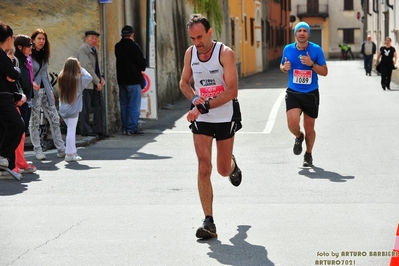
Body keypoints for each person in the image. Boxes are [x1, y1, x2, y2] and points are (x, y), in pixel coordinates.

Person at [179, 14, 243, 239]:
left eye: (200, 37)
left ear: (209, 32)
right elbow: (184, 83)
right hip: (202, 118)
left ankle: (233, 165)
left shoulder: (224, 53)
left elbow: (232, 90)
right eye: (192, 38)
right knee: (204, 166)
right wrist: (194, 98)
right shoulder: (190, 54)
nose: (197, 42)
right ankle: (209, 222)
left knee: (222, 169)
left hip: (224, 115)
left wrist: (204, 105)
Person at [280, 21, 328, 167]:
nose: (302, 33)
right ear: (295, 33)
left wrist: (311, 64)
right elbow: (282, 65)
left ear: (308, 34)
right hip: (293, 92)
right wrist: (284, 67)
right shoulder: (288, 49)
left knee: (309, 127)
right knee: (292, 122)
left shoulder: (316, 50)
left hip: (311, 93)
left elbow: (325, 72)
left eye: (304, 31)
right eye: (299, 30)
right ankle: (298, 136)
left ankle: (308, 154)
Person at [30, 28, 66, 161]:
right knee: (34, 121)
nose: (41, 41)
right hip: (34, 92)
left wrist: (50, 90)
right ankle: (38, 149)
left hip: (45, 90)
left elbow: (45, 74)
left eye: (43, 39)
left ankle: (61, 148)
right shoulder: (29, 55)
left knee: (54, 118)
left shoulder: (44, 55)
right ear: (33, 40)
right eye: (39, 38)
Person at [0, 21, 26, 179]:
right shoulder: (1, 55)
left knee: (5, 128)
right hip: (3, 97)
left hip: (6, 95)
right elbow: (15, 73)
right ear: (9, 38)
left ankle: (6, 163)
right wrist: (14, 70)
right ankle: (3, 156)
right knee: (17, 125)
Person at [58, 57, 92, 162]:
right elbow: (89, 77)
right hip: (73, 109)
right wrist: (81, 68)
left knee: (70, 130)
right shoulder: (78, 80)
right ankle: (69, 154)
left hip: (63, 109)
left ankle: (72, 153)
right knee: (71, 131)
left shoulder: (61, 77)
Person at [114, 25, 146, 135]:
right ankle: (132, 128)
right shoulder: (134, 47)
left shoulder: (118, 46)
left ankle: (125, 128)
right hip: (134, 81)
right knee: (134, 105)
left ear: (121, 35)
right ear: (132, 35)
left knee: (124, 105)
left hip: (122, 80)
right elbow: (142, 65)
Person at [12, 35, 37, 174]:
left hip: (26, 99)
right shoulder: (16, 60)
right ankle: (16, 162)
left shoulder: (25, 60)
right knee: (18, 132)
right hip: (19, 100)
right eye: (29, 45)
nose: (31, 47)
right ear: (20, 47)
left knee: (22, 132)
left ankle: (20, 161)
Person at [76, 30, 106, 139]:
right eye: (92, 38)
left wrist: (101, 77)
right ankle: (85, 130)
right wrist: (97, 81)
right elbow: (87, 67)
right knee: (85, 107)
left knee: (99, 105)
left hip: (93, 82)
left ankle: (98, 129)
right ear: (86, 38)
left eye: (96, 38)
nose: (94, 40)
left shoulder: (94, 49)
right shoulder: (83, 49)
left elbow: (96, 66)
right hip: (86, 83)